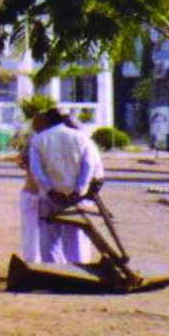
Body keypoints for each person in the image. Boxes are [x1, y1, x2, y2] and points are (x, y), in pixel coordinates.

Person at [28, 108, 105, 264]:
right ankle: (78, 274)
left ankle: (54, 274)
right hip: (76, 198)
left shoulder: (39, 140)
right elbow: (89, 165)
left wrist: (50, 190)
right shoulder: (82, 138)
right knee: (76, 237)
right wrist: (79, 190)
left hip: (51, 198)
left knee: (49, 239)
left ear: (48, 121)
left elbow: (37, 170)